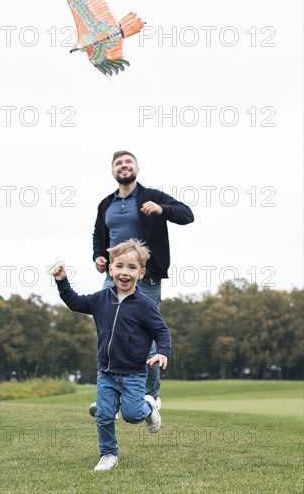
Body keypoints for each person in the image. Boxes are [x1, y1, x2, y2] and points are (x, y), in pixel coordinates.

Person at [53, 239, 171, 471]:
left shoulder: (145, 305)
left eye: (131, 267)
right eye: (119, 266)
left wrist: (163, 352)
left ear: (141, 272)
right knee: (104, 416)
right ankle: (108, 454)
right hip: (106, 372)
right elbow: (75, 302)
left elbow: (162, 331)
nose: (124, 272)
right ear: (111, 269)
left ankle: (148, 407)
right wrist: (62, 282)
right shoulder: (101, 299)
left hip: (134, 374)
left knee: (132, 415)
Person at [92, 150, 194, 408]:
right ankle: (110, 400)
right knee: (110, 333)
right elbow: (98, 235)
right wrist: (98, 257)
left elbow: (187, 214)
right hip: (114, 278)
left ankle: (151, 396)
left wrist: (162, 209)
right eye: (118, 163)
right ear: (113, 171)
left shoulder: (152, 197)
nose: (124, 166)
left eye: (128, 163)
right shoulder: (106, 204)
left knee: (145, 338)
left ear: (137, 168)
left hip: (145, 280)